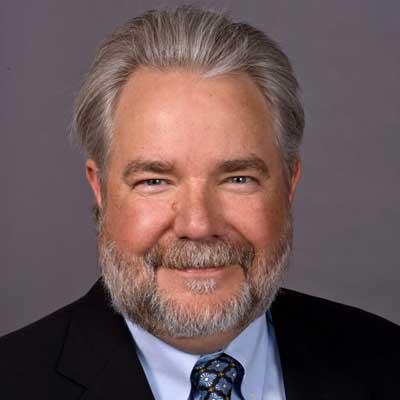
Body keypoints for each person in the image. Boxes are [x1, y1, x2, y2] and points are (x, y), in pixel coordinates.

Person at [1, 5, 398, 399]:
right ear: (100, 189)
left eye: (238, 179)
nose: (198, 225)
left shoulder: (387, 362)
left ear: (289, 184)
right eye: (155, 181)